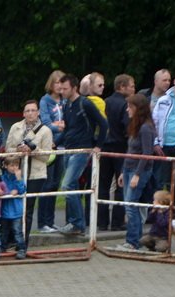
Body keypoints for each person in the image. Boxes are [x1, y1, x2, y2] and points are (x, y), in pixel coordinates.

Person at [56, 74, 108, 235]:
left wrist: (98, 146)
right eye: (61, 89)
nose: (62, 92)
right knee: (73, 186)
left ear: (74, 88)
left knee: (67, 185)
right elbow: (68, 129)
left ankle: (78, 224)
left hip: (81, 150)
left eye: (65, 89)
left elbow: (103, 123)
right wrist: (55, 143)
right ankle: (75, 223)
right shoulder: (66, 105)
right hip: (68, 149)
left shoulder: (85, 103)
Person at [4, 100, 53, 236]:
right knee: (12, 204)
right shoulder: (15, 127)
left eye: (33, 110)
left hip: (35, 175)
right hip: (16, 172)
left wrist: (33, 149)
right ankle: (10, 239)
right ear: (23, 113)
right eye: (27, 111)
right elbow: (8, 149)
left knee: (28, 208)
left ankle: (23, 240)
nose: (30, 113)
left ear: (38, 112)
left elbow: (47, 156)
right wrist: (19, 150)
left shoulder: (45, 131)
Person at [117, 94, 159, 252]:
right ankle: (134, 240)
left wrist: (137, 174)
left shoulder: (146, 127)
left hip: (138, 170)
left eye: (130, 107)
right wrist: (123, 171)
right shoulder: (136, 125)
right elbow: (131, 150)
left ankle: (133, 241)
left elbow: (147, 154)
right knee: (130, 204)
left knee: (131, 205)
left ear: (138, 109)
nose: (127, 109)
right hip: (129, 168)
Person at [99, 74, 135, 230]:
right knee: (121, 184)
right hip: (120, 148)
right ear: (122, 87)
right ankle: (117, 222)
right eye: (131, 85)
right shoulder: (124, 105)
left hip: (105, 148)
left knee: (103, 185)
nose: (134, 88)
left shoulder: (105, 102)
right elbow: (128, 128)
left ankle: (101, 222)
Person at [151, 69, 175, 212]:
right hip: (163, 145)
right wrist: (155, 142)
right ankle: (160, 213)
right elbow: (154, 122)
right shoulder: (163, 100)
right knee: (160, 180)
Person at [38, 71, 67, 233]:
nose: (59, 86)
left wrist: (62, 126)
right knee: (47, 184)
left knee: (56, 184)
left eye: (62, 82)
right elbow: (46, 122)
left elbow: (69, 122)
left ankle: (51, 220)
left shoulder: (65, 101)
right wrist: (59, 126)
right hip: (50, 146)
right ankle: (42, 223)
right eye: (56, 82)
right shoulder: (45, 101)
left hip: (62, 145)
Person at [0, 157, 28, 258]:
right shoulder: (2, 178)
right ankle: (1, 248)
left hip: (16, 210)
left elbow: (22, 190)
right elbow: (1, 189)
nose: (14, 168)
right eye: (11, 165)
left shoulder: (18, 177)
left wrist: (19, 179)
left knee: (17, 231)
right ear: (6, 166)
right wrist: (8, 192)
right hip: (5, 210)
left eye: (16, 165)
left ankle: (21, 249)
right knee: (3, 231)